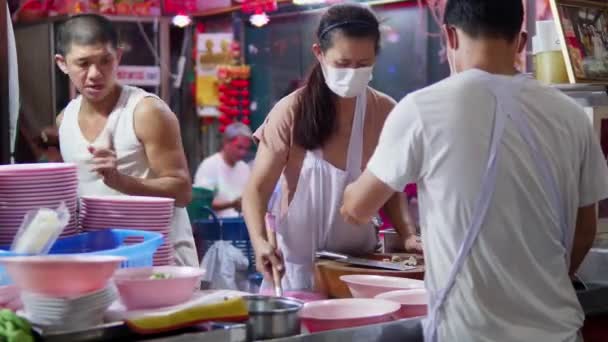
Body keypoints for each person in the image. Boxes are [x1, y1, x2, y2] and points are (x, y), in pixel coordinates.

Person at [341, 1, 608, 341]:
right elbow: (585, 228)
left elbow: (356, 209)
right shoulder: (570, 115)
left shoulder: (423, 108)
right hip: (559, 331)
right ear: (521, 41)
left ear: (449, 35)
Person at [242, 3, 419, 292]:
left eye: (363, 65)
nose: (352, 73)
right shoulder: (291, 112)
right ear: (319, 54)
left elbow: (390, 187)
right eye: (342, 63)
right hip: (295, 269)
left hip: (358, 268)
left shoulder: (386, 111)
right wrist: (260, 241)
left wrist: (408, 234)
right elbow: (256, 190)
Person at [53, 14, 198, 267]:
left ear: (118, 57)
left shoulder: (146, 112)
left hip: (160, 261)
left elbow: (183, 192)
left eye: (105, 61)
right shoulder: (64, 121)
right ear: (63, 64)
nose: (95, 74)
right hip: (102, 262)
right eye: (83, 63)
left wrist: (121, 181)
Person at [193, 122, 252, 218]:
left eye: (246, 149)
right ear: (226, 142)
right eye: (239, 147)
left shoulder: (244, 168)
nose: (243, 153)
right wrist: (232, 204)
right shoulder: (209, 165)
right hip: (215, 225)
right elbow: (202, 202)